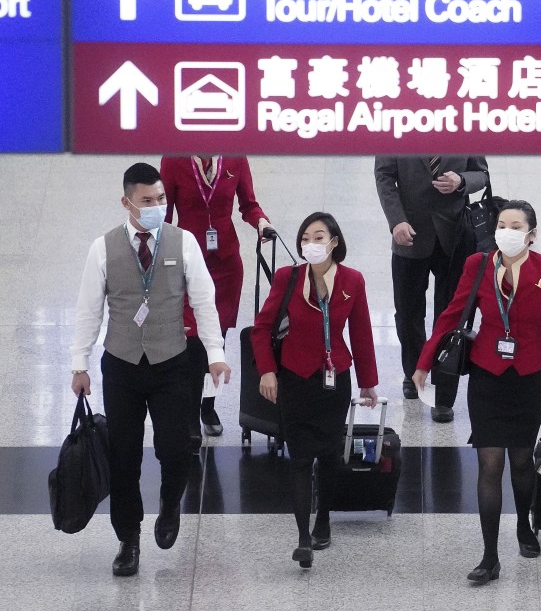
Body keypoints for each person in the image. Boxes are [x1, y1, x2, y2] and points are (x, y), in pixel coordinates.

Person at [412, 200, 541, 585]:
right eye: (502, 225)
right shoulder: (478, 266)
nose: (506, 232)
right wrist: (424, 362)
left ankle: (525, 525)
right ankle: (489, 556)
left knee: (523, 462)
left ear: (531, 234)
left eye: (515, 226)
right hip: (487, 377)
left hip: (528, 378)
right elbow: (451, 314)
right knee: (490, 464)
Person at [70, 163, 231, 577]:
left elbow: (204, 301)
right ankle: (129, 540)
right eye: (147, 201)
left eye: (161, 199)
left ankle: (170, 503)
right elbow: (89, 309)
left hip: (173, 361)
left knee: (176, 449)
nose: (158, 206)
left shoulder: (184, 242)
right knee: (124, 456)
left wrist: (215, 351)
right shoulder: (103, 248)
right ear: (127, 203)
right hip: (122, 364)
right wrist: (79, 363)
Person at [251, 212, 379, 569]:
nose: (312, 244)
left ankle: (323, 516)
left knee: (328, 455)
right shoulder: (287, 278)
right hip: (294, 378)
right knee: (300, 457)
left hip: (334, 379)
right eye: (305, 238)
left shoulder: (352, 280)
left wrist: (368, 382)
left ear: (334, 241)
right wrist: (267, 372)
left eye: (319, 237)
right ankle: (303, 537)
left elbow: (362, 332)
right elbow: (261, 330)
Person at [160, 155, 272, 444]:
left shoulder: (236, 158)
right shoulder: (173, 161)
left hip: (226, 265)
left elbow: (248, 204)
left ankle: (207, 407)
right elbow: (165, 213)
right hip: (188, 261)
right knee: (195, 341)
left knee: (217, 342)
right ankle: (189, 417)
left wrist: (261, 223)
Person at [375, 155, 488, 422]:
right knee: (407, 312)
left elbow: (482, 173)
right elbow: (384, 177)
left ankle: (444, 393)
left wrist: (461, 181)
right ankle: (413, 371)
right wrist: (396, 220)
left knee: (452, 316)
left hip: (456, 233)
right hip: (408, 232)